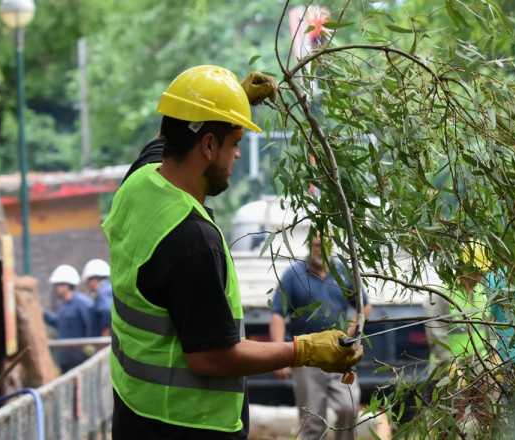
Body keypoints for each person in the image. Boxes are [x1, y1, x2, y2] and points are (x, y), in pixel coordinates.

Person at [105, 65, 361, 440]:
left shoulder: (139, 182)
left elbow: (172, 131)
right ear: (208, 145)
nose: (238, 155)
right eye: (235, 142)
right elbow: (211, 356)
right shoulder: (192, 241)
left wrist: (234, 101)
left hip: (134, 411)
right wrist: (303, 350)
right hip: (188, 426)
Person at [269, 235, 370, 440]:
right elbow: (278, 314)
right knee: (312, 421)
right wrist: (279, 356)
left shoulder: (342, 272)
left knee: (348, 408)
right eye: (316, 245)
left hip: (339, 353)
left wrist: (350, 332)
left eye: (324, 245)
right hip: (307, 357)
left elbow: (364, 306)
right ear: (309, 246)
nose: (319, 249)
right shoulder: (294, 275)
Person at [43, 264, 95, 372]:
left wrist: (88, 349)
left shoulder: (83, 303)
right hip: (65, 359)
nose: (56, 288)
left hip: (80, 360)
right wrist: (42, 314)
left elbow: (91, 326)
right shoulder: (63, 306)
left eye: (58, 285)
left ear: (66, 285)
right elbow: (59, 323)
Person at [81, 258, 113, 336]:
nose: (87, 286)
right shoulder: (110, 289)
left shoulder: (102, 292)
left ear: (94, 280)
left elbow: (106, 310)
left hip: (103, 339)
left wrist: (105, 333)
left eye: (88, 282)